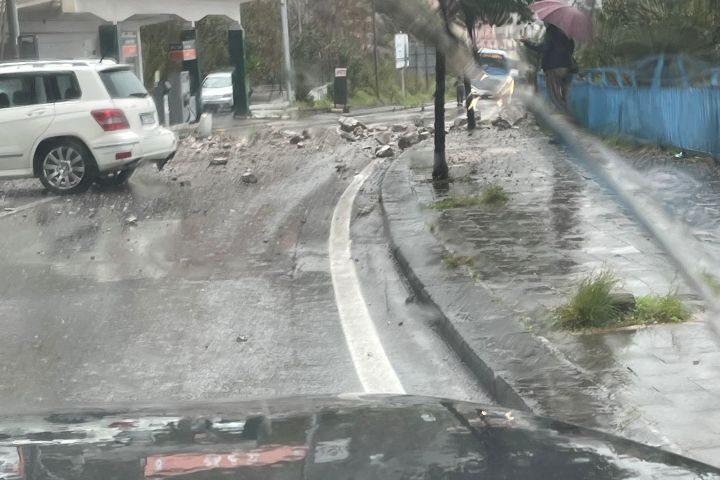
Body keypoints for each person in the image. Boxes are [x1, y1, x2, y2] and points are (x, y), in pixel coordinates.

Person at [521, 23, 575, 112]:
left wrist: (527, 42)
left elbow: (543, 47)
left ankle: (566, 113)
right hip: (566, 66)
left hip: (553, 66)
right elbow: (572, 47)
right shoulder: (567, 31)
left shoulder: (551, 31)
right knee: (565, 92)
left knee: (554, 95)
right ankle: (570, 110)